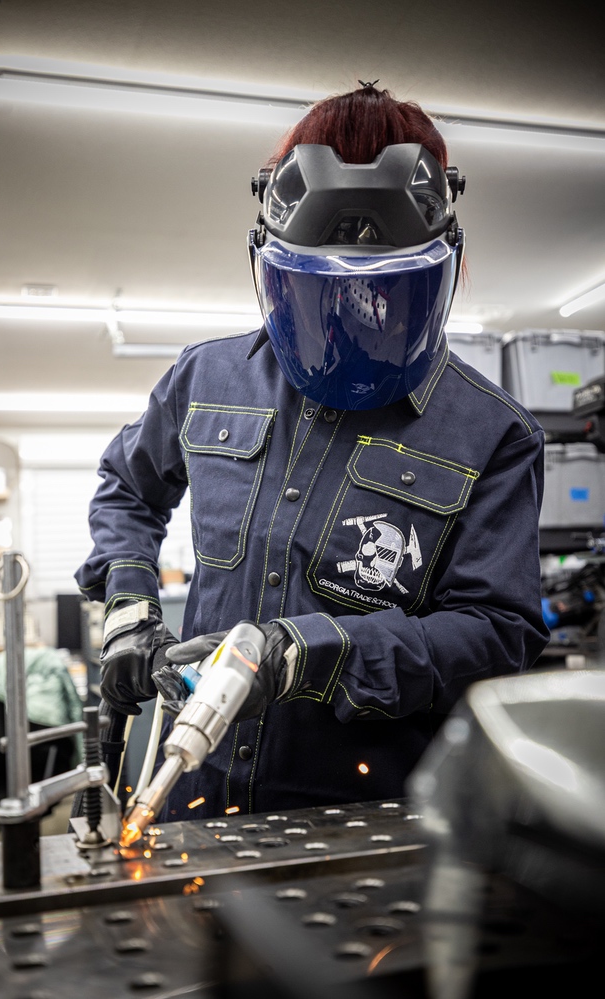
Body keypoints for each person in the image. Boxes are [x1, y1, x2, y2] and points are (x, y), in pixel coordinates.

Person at [75, 83, 549, 821]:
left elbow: (497, 631)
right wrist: (129, 603)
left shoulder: (493, 433)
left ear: (443, 267)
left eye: (384, 297)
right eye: (319, 293)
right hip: (196, 784)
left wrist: (316, 652)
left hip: (359, 809)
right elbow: (127, 488)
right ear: (271, 267)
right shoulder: (207, 377)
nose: (352, 323)